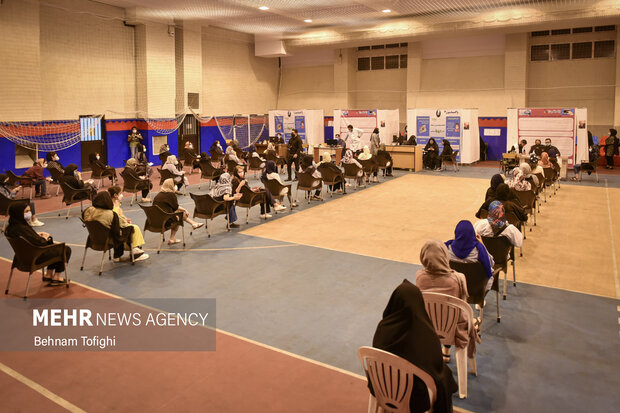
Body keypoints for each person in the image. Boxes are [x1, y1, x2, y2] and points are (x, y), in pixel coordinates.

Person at [372, 279, 458, 413]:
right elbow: (435, 367)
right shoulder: (427, 335)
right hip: (414, 397)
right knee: (444, 374)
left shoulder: (383, 328)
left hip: (383, 386)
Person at [415, 239, 480, 363]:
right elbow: (463, 307)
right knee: (451, 314)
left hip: (427, 328)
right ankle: (447, 349)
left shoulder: (419, 277)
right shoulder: (458, 278)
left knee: (440, 315)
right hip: (453, 330)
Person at [5, 203, 70, 284]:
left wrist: (36, 235)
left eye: (29, 211)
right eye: (26, 211)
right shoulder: (22, 228)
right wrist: (44, 238)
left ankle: (48, 274)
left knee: (53, 246)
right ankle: (56, 276)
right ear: (19, 213)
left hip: (20, 258)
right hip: (35, 258)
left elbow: (27, 239)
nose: (29, 213)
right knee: (65, 249)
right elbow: (40, 244)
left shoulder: (12, 228)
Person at [83, 191, 146, 262]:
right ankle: (134, 251)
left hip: (93, 238)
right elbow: (122, 225)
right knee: (131, 228)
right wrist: (125, 220)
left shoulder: (87, 210)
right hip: (108, 240)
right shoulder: (111, 214)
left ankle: (120, 255)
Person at [445, 220, 495, 291]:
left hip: (454, 288)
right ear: (473, 234)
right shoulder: (479, 250)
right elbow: (491, 264)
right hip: (476, 289)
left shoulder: (447, 249)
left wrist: (455, 240)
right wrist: (482, 244)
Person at [154, 179, 204, 243]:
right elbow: (175, 207)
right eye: (174, 185)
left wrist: (184, 209)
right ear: (171, 186)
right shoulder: (170, 195)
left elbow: (173, 207)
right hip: (165, 221)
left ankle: (193, 223)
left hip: (155, 221)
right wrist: (185, 210)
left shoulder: (157, 196)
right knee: (179, 216)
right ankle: (172, 238)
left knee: (178, 213)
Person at [108, 186, 147, 257]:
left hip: (121, 222)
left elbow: (120, 213)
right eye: (120, 193)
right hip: (116, 225)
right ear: (115, 195)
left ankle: (134, 248)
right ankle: (134, 248)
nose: (121, 195)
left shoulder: (117, 202)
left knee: (133, 227)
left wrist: (125, 219)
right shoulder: (109, 205)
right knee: (135, 228)